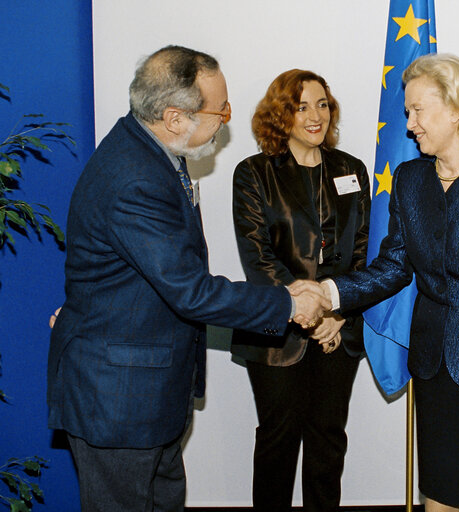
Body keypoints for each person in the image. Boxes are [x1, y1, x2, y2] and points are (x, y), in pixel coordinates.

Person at [47, 45, 329, 512]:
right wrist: (288, 303)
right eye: (221, 111)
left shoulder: (153, 151)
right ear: (175, 117)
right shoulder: (134, 177)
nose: (226, 121)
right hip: (118, 401)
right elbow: (191, 290)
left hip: (147, 393)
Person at [296, 53, 459, 511]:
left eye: (418, 110)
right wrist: (330, 293)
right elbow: (393, 266)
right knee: (439, 494)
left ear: (456, 110)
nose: (409, 124)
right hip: (434, 369)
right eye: (407, 112)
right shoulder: (410, 180)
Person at [230, 69, 370, 511]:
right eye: (301, 106)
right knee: (278, 441)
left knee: (329, 441)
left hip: (338, 331)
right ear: (281, 114)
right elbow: (257, 259)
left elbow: (363, 253)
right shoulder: (253, 173)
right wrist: (308, 312)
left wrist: (336, 314)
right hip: (277, 332)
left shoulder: (352, 169)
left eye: (323, 105)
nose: (316, 116)